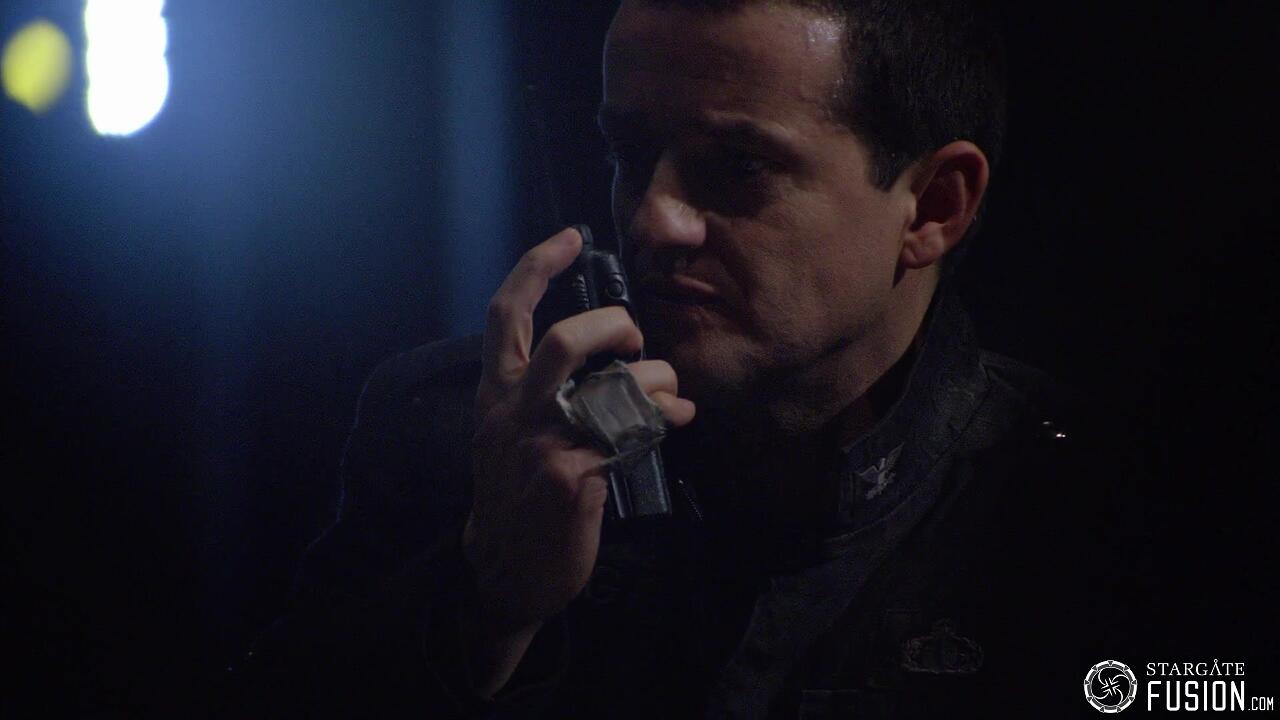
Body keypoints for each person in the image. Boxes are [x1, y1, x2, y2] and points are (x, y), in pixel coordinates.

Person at [226, 0, 1145, 717]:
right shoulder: (462, 440)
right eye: (631, 152)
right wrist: (484, 610)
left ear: (935, 205)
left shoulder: (1089, 511)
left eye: (739, 165)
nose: (653, 219)